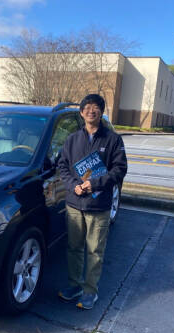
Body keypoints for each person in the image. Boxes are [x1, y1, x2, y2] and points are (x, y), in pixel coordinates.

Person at [57, 94, 127, 309]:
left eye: (95, 107)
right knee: (74, 248)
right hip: (74, 205)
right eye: (86, 107)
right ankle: (75, 285)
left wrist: (95, 184)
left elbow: (120, 169)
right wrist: (73, 185)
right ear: (81, 112)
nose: (90, 111)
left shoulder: (113, 139)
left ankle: (90, 291)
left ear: (101, 112)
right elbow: (62, 166)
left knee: (94, 251)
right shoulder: (72, 139)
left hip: (98, 206)